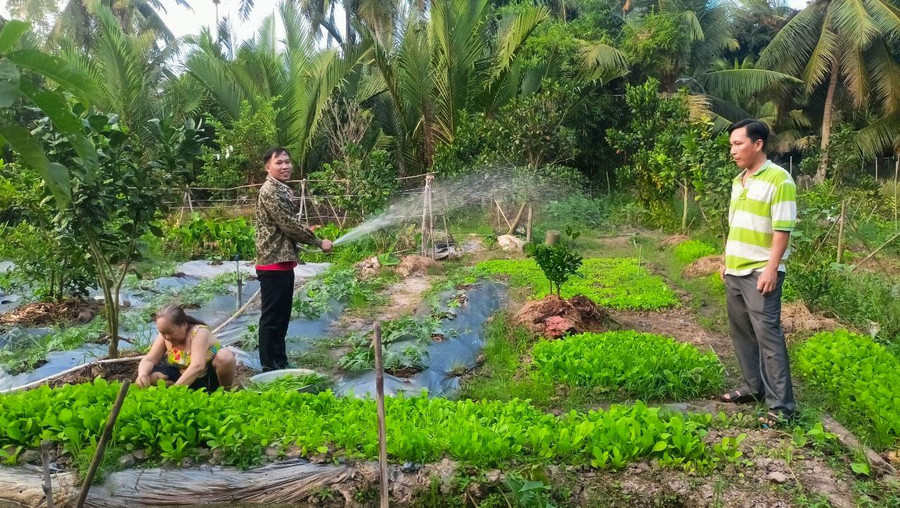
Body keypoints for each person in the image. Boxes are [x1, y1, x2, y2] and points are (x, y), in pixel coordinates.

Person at [719, 119, 797, 427]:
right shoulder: (739, 181)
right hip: (735, 270)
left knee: (768, 338)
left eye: (738, 144)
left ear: (758, 144)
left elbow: (782, 229)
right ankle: (752, 389)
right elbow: (734, 225)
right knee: (742, 335)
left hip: (759, 272)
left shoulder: (780, 180)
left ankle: (782, 408)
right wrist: (726, 260)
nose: (733, 151)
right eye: (731, 145)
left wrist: (771, 269)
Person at [256, 147, 333, 372]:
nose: (285, 166)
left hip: (282, 262)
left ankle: (280, 362)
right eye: (279, 163)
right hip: (273, 263)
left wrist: (303, 233)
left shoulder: (281, 189)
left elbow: (285, 225)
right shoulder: (271, 191)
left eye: (288, 162)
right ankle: (270, 366)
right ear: (267, 167)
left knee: (281, 318)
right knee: (272, 319)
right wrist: (318, 242)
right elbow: (288, 224)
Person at [136, 304, 236, 390]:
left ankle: (224, 392)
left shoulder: (199, 332)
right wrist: (142, 374)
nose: (167, 337)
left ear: (184, 324)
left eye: (170, 332)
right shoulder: (165, 337)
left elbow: (198, 366)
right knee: (148, 377)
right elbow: (150, 359)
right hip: (181, 376)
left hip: (207, 378)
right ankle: (186, 391)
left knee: (225, 356)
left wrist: (175, 391)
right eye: (162, 333)